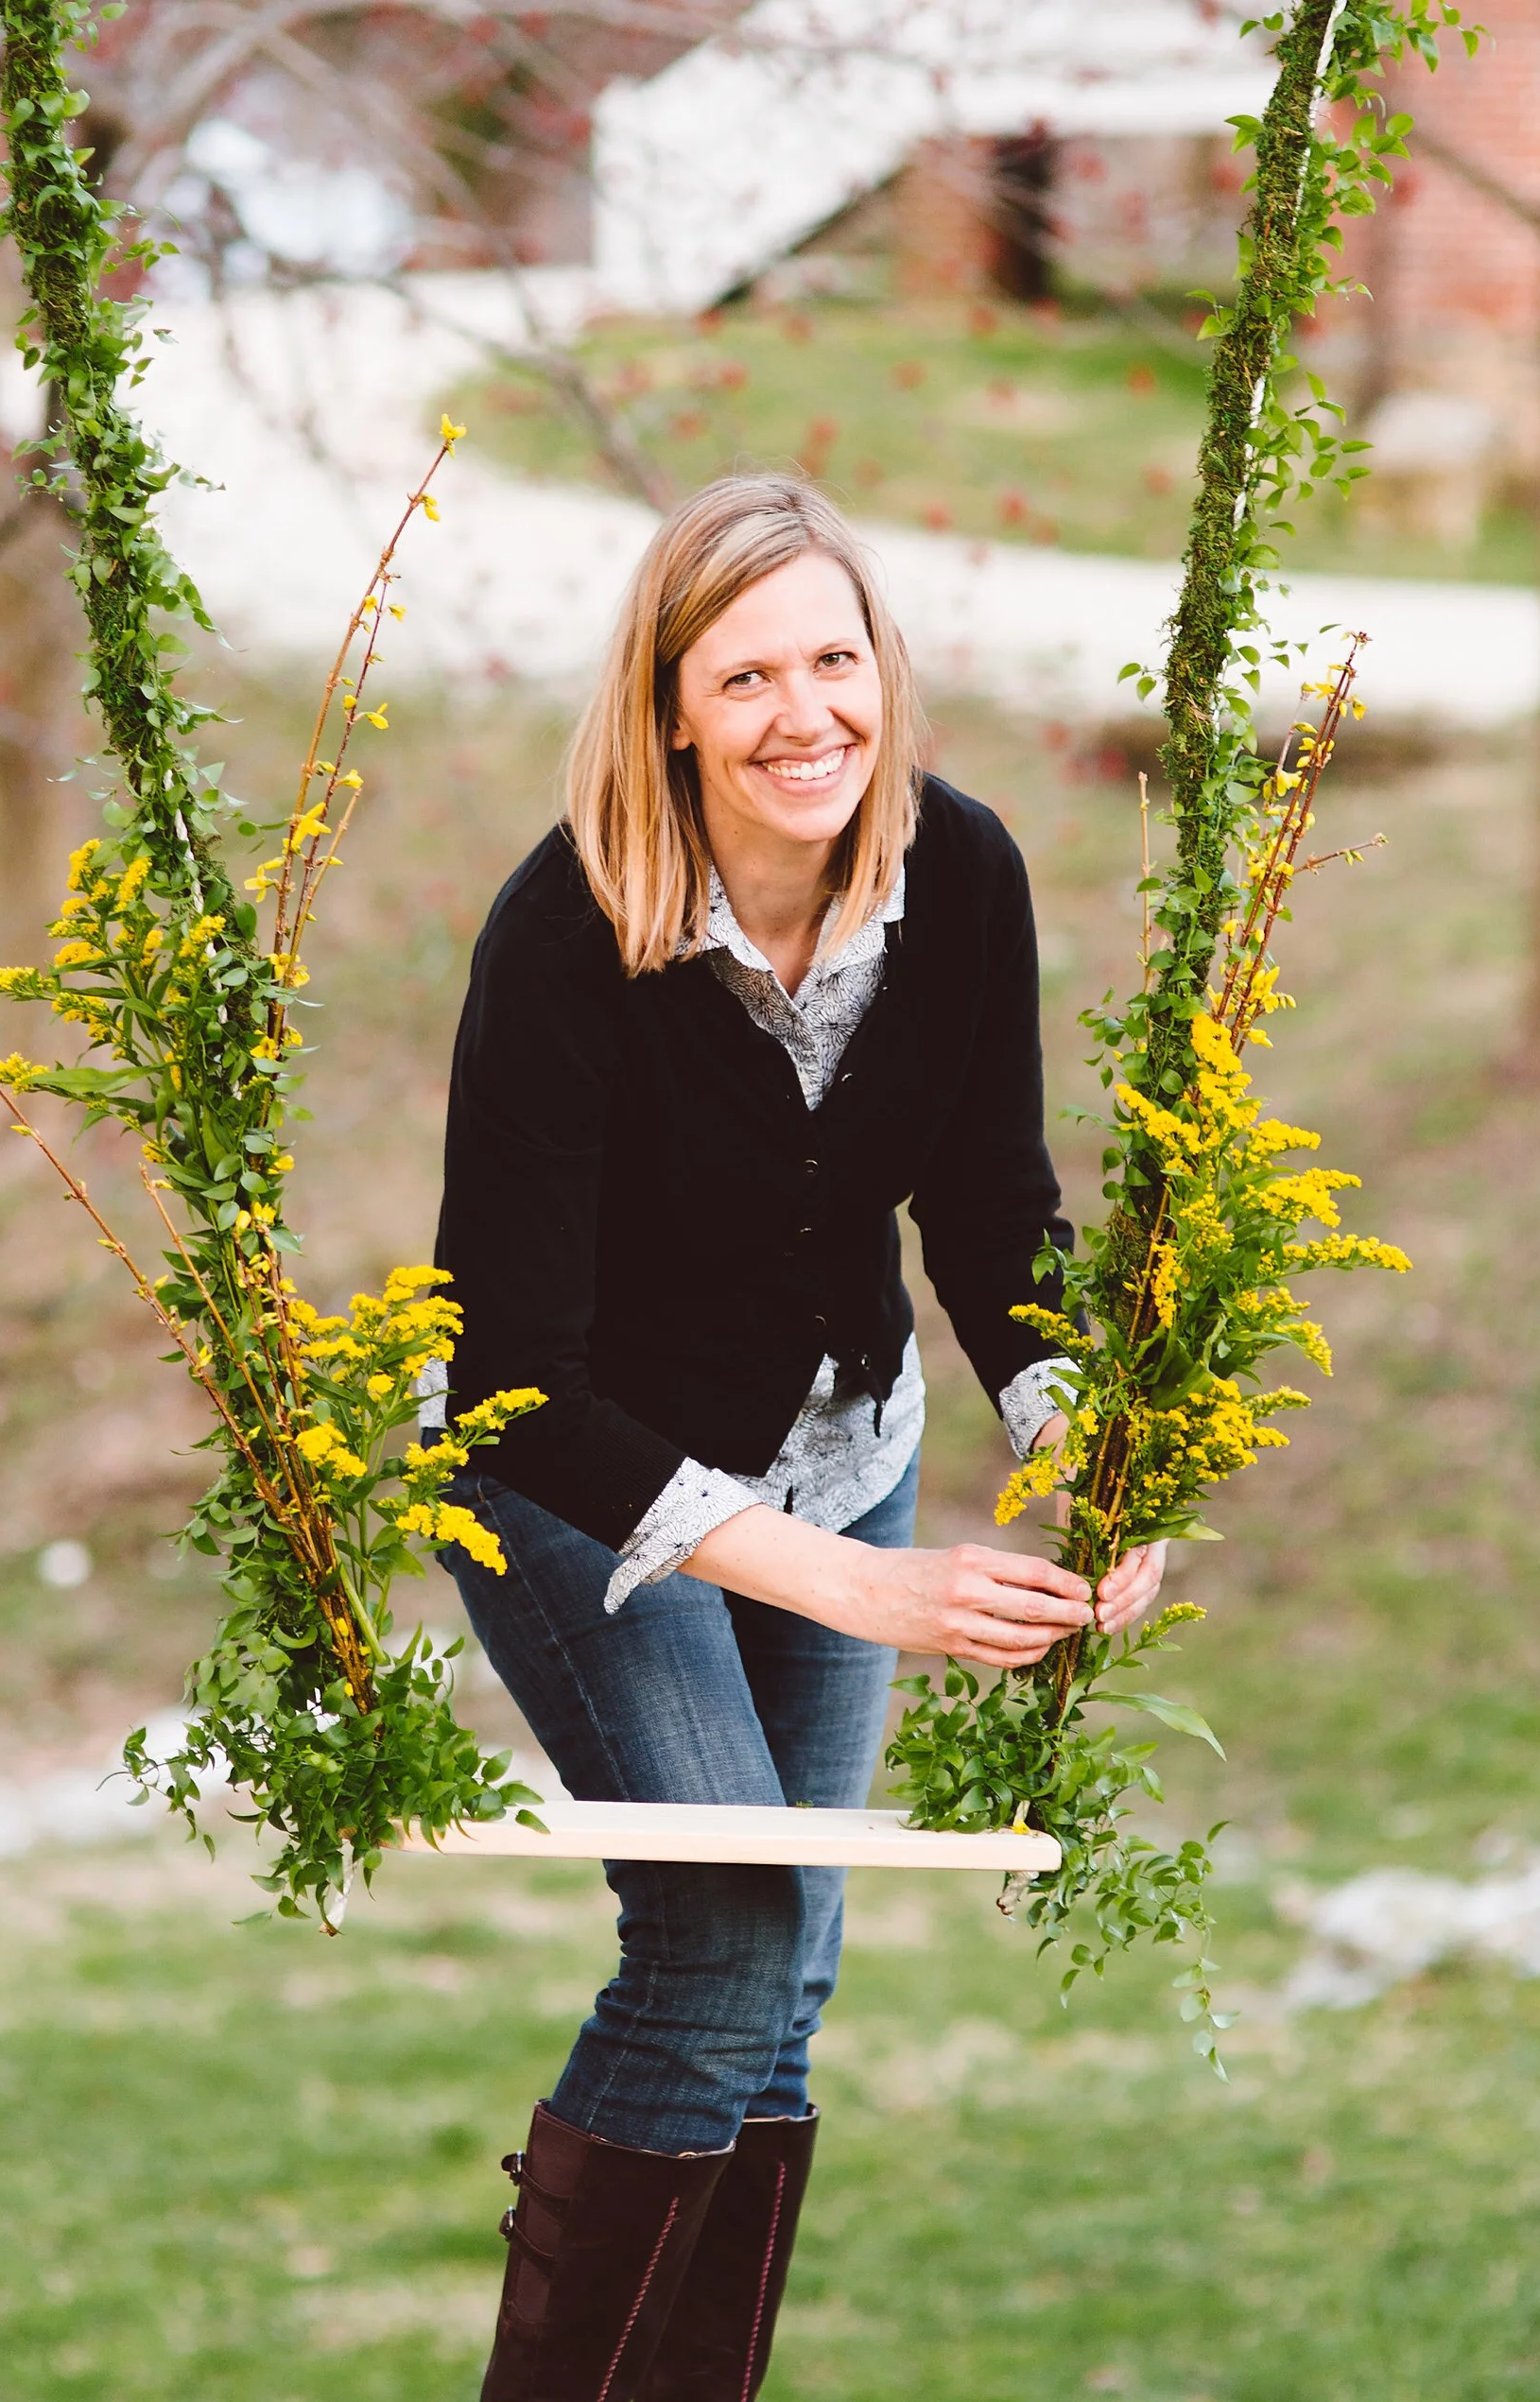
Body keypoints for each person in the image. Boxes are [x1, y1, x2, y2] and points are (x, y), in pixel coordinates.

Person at [433, 475, 1166, 2402]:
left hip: (842, 1459)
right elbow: (518, 1368)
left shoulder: (963, 871)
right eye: (743, 674)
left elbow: (996, 1210)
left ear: (884, 670)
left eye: (834, 658)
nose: (802, 714)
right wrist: (860, 1586)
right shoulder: (569, 929)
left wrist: (1085, 1451)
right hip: (583, 1486)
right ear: (670, 707)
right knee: (729, 1935)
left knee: (781, 1991)